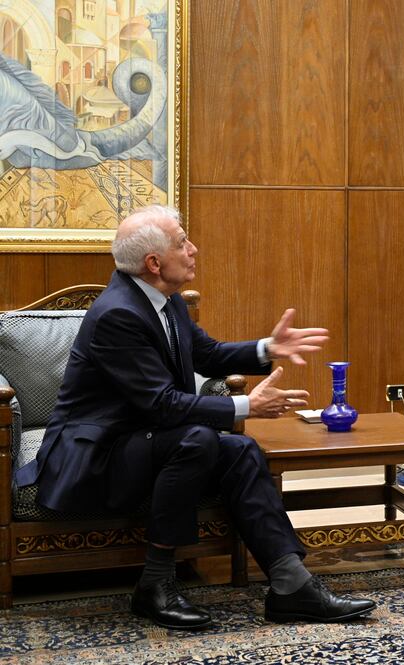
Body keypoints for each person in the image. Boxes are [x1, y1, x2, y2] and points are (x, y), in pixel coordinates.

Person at [15, 205, 376, 629]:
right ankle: (156, 584)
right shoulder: (118, 315)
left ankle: (291, 585)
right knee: (198, 439)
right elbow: (163, 405)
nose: (193, 249)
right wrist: (247, 406)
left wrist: (266, 348)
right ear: (154, 262)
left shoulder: (164, 301)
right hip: (96, 457)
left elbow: (205, 354)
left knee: (240, 449)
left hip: (143, 441)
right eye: (182, 242)